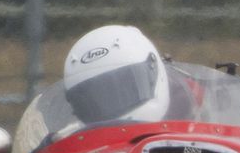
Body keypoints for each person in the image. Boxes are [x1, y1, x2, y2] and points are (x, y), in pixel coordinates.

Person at [61, 24, 193, 125]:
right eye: (96, 99)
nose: (111, 102)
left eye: (126, 88)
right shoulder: (70, 143)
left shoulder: (201, 110)